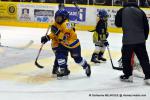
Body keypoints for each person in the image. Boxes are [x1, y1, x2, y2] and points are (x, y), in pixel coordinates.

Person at [41, 9, 91, 78]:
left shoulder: (67, 24)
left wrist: (57, 32)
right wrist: (48, 37)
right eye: (57, 17)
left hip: (73, 44)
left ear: (64, 18)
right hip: (63, 44)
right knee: (60, 55)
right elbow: (55, 34)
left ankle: (86, 66)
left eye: (59, 17)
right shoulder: (56, 23)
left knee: (77, 59)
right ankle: (63, 70)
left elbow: (64, 37)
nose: (57, 19)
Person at [115, 1, 150, 85]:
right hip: (140, 40)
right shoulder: (141, 11)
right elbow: (146, 26)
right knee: (144, 58)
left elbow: (117, 24)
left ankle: (128, 76)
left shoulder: (122, 10)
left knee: (126, 58)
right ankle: (148, 77)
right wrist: (144, 38)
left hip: (128, 40)